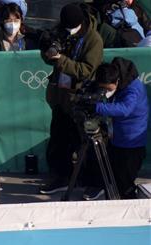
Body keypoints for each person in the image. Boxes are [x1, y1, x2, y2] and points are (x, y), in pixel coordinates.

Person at [38, 3, 104, 195]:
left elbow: (86, 70)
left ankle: (94, 182)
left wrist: (61, 60)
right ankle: (61, 177)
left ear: (80, 23)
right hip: (61, 95)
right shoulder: (60, 30)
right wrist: (48, 52)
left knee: (87, 142)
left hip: (81, 97)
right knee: (58, 140)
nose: (67, 30)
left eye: (71, 27)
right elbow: (49, 55)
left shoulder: (93, 40)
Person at [83, 58, 148, 199]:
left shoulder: (133, 89)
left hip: (131, 142)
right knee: (113, 178)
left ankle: (129, 209)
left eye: (107, 88)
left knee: (124, 183)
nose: (105, 91)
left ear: (117, 81)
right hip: (117, 139)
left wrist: (97, 107)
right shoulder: (113, 76)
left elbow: (125, 109)